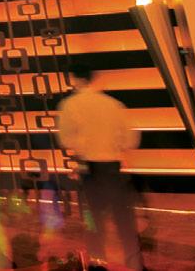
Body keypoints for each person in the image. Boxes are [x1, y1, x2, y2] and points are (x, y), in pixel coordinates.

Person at [57, 63, 143, 271]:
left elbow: (65, 139)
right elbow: (131, 139)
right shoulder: (113, 104)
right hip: (113, 168)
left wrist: (82, 145)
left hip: (89, 169)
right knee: (124, 221)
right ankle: (134, 264)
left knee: (94, 221)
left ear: (76, 80)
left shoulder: (70, 105)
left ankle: (98, 264)